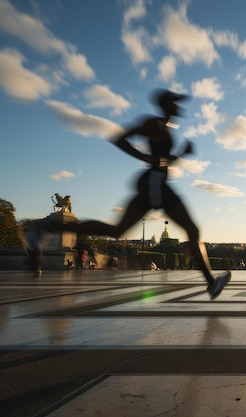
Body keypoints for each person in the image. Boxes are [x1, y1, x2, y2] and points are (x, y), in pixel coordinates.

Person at [24, 89, 230, 299]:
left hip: (154, 182)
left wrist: (178, 155)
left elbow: (161, 160)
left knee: (117, 230)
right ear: (165, 104)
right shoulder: (155, 124)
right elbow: (121, 138)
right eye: (174, 102)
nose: (179, 107)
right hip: (154, 183)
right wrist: (144, 157)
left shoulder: (164, 127)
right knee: (191, 228)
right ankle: (211, 283)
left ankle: (47, 226)